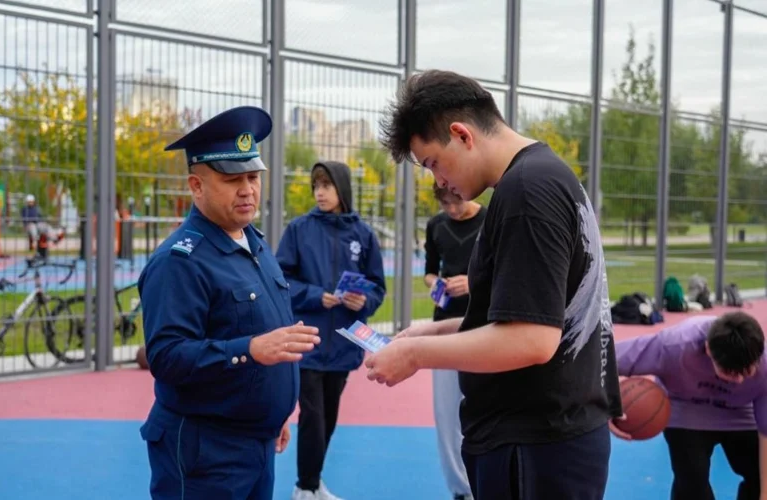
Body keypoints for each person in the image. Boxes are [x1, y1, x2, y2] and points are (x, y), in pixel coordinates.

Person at [365, 69, 623, 500]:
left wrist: (415, 353)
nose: (438, 181)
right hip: (547, 438)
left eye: (432, 163)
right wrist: (439, 328)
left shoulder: (526, 192)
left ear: (462, 135)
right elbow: (528, 311)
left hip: (535, 446)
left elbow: (531, 339)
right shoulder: (540, 176)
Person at [137, 106, 321, 500]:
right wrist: (250, 351)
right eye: (232, 179)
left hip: (256, 442)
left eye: (253, 177)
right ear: (196, 186)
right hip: (205, 453)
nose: (247, 189)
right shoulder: (179, 262)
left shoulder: (253, 242)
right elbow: (167, 356)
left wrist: (274, 411)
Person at [276, 161, 387, 500]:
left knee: (329, 416)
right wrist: (315, 296)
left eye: (326, 185)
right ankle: (305, 487)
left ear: (341, 188)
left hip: (343, 342)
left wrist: (361, 301)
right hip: (308, 339)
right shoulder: (299, 230)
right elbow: (281, 280)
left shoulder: (364, 235)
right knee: (312, 415)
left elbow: (377, 287)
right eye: (315, 185)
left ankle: (312, 481)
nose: (320, 192)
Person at [611, 312, 766, 500]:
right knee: (691, 485)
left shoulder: (764, 365)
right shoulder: (673, 345)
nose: (740, 379)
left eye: (747, 371)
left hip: (741, 409)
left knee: (760, 478)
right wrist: (607, 400)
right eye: (730, 373)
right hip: (685, 406)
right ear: (708, 350)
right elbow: (602, 360)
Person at [423, 181, 485, 500]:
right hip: (445, 324)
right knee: (447, 415)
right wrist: (438, 285)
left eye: (455, 202)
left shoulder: (491, 222)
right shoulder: (435, 226)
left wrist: (471, 283)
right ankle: (460, 490)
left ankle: (482, 484)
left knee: (483, 407)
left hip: (483, 325)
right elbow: (429, 272)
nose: (451, 209)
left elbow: (503, 273)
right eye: (444, 204)